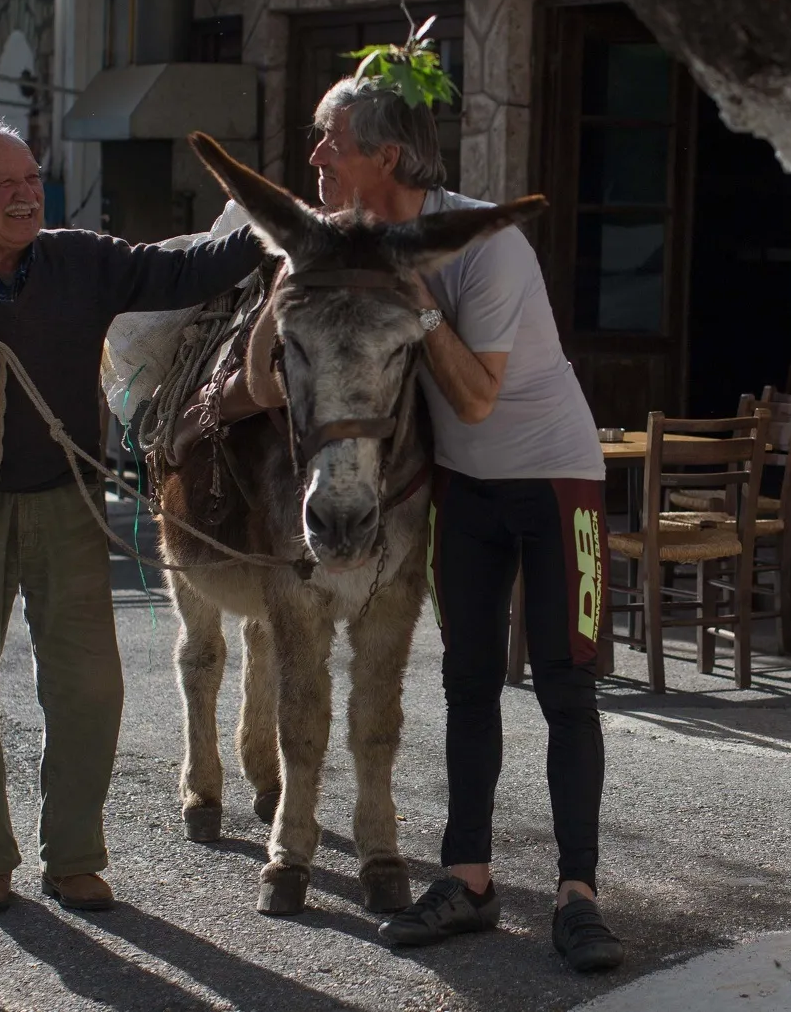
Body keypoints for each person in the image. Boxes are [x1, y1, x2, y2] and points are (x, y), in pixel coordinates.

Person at [0, 118, 264, 917]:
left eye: (32, 178)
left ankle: (74, 856)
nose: (26, 193)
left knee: (88, 688)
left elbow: (182, 274)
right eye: (5, 183)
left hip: (66, 502)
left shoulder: (83, 261)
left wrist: (267, 232)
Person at [288, 78, 623, 972]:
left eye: (330, 139)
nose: (314, 155)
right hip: (465, 492)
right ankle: (469, 879)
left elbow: (474, 398)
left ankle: (578, 896)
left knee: (566, 687)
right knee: (469, 684)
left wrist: (415, 296)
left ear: (385, 158)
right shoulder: (356, 243)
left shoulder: (487, 242)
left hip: (558, 483)